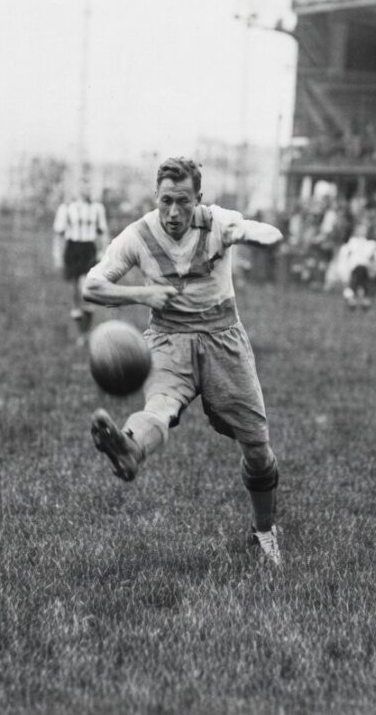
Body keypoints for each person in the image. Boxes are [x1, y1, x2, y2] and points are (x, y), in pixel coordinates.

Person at [82, 157, 284, 565]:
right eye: (166, 201)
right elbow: (93, 285)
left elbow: (257, 230)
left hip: (223, 337)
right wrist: (142, 295)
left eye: (184, 202)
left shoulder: (217, 222)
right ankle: (129, 449)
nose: (174, 213)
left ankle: (264, 530)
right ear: (156, 197)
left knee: (258, 449)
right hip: (167, 338)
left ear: (199, 199)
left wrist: (252, 232)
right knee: (158, 407)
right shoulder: (138, 234)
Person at [52, 182, 107, 345]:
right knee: (74, 291)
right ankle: (81, 333)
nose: (85, 190)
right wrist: (57, 255)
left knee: (86, 288)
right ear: (76, 189)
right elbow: (58, 234)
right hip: (73, 249)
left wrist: (103, 251)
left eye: (88, 187)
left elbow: (103, 232)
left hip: (88, 249)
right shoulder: (66, 208)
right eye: (82, 186)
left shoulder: (97, 208)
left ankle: (86, 332)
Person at [337, 222, 376, 310]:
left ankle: (363, 299)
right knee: (359, 271)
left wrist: (374, 266)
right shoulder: (351, 243)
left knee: (368, 273)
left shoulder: (371, 244)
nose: (362, 231)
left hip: (367, 269)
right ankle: (355, 298)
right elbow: (345, 257)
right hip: (354, 268)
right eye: (360, 229)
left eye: (364, 229)